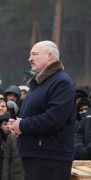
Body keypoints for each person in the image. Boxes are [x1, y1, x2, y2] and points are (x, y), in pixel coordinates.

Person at [8, 40, 76, 180]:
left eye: (34, 54)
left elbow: (54, 119)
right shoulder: (39, 83)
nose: (30, 59)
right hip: (37, 156)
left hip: (50, 159)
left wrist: (22, 125)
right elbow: (33, 113)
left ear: (49, 56)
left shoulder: (61, 82)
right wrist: (16, 125)